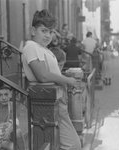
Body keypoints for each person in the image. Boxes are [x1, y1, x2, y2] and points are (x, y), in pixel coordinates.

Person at [22, 9, 81, 150]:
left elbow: (51, 73)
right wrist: (67, 80)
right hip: (47, 101)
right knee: (73, 145)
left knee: (56, 143)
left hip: (57, 99)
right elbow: (42, 75)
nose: (48, 35)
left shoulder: (44, 49)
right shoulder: (31, 47)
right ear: (33, 30)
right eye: (43, 31)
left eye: (50, 31)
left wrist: (63, 81)